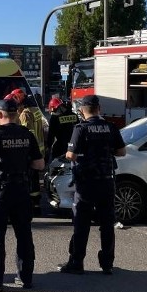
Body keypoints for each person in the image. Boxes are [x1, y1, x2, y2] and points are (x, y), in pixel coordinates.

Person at [0, 98, 44, 292]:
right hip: (22, 190)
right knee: (24, 234)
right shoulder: (27, 134)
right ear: (16, 114)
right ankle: (26, 278)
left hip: (1, 190)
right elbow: (39, 164)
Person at [58, 94, 125, 276]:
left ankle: (77, 262)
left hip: (86, 183)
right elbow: (121, 151)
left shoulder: (80, 129)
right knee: (107, 224)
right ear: (99, 109)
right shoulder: (110, 127)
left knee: (82, 223)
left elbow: (71, 155)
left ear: (82, 110)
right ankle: (107, 264)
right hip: (106, 181)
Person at [8, 89, 45, 214]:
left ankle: (31, 206)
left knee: (28, 179)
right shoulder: (36, 111)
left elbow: (26, 133)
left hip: (29, 151)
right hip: (39, 150)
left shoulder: (25, 114)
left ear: (21, 103)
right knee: (34, 179)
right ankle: (36, 205)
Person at [45, 96, 78, 162]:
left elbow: (51, 135)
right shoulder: (74, 115)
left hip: (60, 148)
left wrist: (48, 146)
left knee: (55, 165)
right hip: (74, 147)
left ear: (55, 108)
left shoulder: (54, 118)